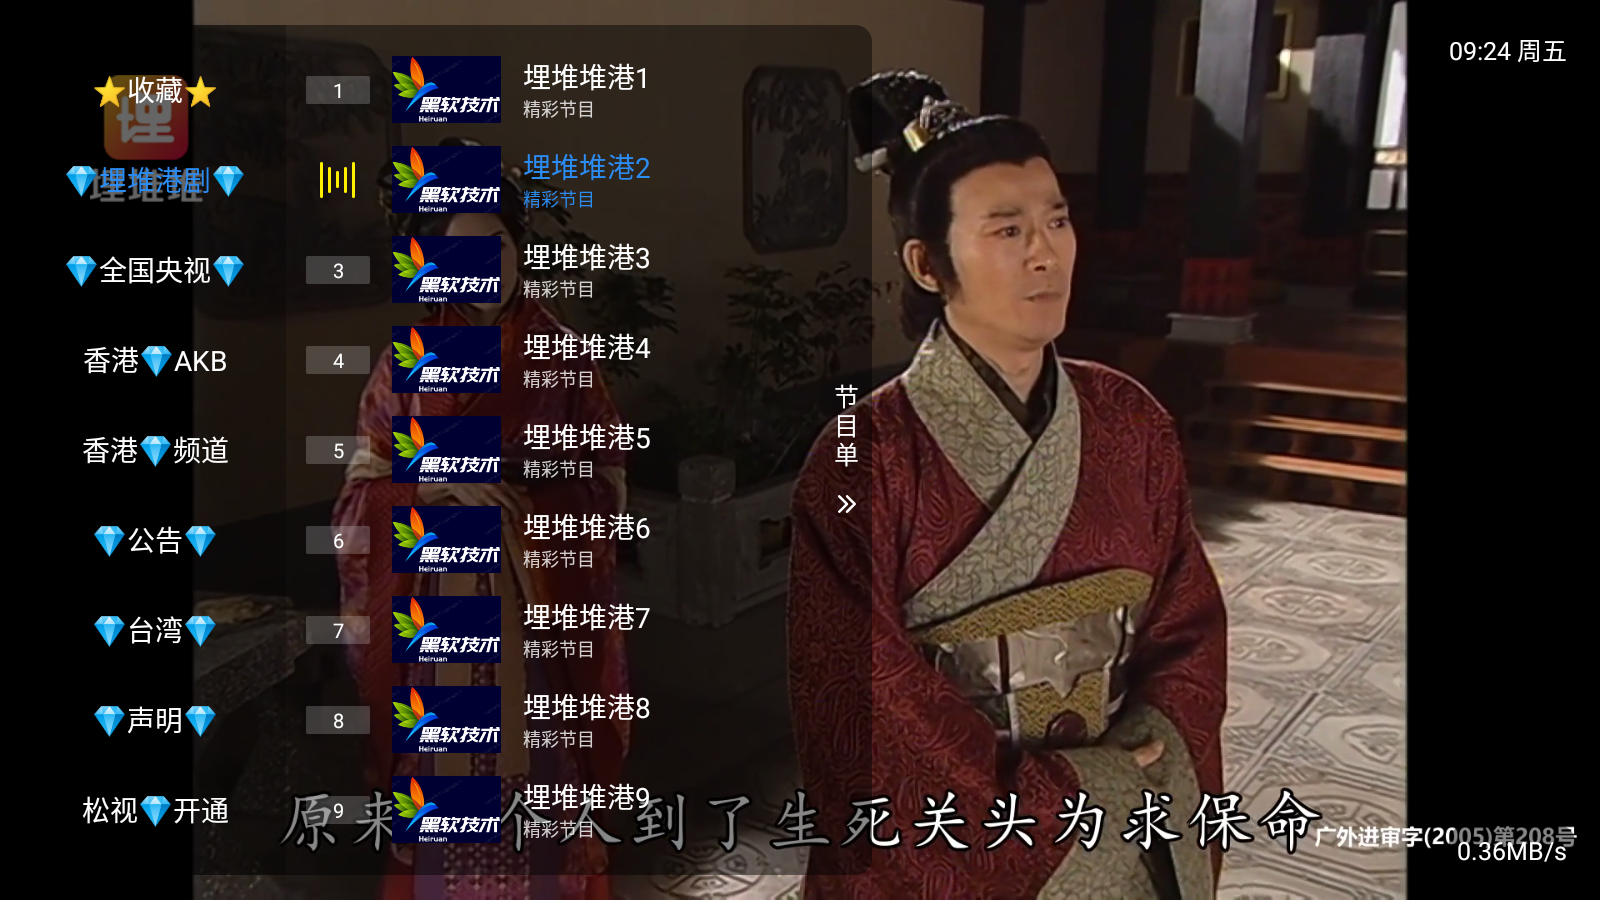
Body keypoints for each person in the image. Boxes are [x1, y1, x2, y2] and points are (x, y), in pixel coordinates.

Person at [786, 71, 1228, 899]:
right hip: (965, 848)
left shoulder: (1130, 422)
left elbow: (1189, 625)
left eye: (1057, 220)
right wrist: (1069, 792)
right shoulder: (864, 458)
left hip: (1125, 831)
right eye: (1007, 229)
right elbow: (859, 699)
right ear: (927, 264)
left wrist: (1150, 756)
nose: (1045, 252)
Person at [336, 137, 629, 900]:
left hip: (537, 598)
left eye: (496, 243)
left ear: (518, 246)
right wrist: (438, 487)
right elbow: (361, 492)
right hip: (439, 605)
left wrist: (525, 496)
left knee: (545, 768)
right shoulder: (405, 363)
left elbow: (606, 479)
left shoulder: (564, 354)